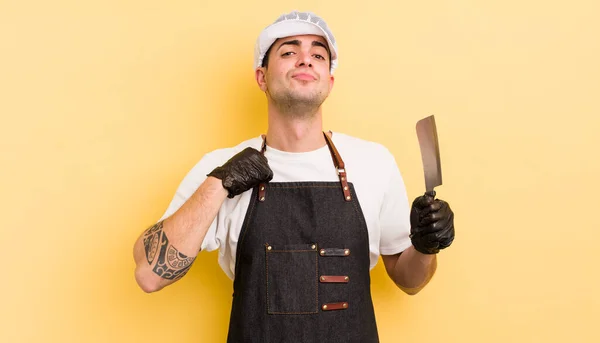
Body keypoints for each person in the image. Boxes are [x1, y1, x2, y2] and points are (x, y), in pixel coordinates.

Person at [132, 10, 455, 342]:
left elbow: (409, 280)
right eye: (288, 51)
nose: (305, 59)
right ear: (262, 77)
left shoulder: (374, 162)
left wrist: (426, 246)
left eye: (318, 54)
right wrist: (218, 185)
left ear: (328, 81)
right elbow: (149, 275)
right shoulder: (218, 167)